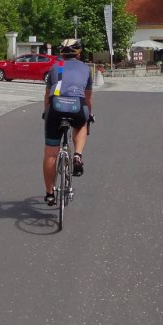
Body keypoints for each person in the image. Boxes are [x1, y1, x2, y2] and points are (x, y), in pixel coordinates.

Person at [41, 39, 93, 206]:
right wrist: (89, 114)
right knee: (82, 123)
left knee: (50, 154)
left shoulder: (56, 67)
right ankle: (77, 155)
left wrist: (46, 113)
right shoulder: (86, 68)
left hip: (55, 107)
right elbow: (88, 98)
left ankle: (49, 194)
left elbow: (47, 95)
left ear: (61, 53)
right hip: (77, 106)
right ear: (79, 53)